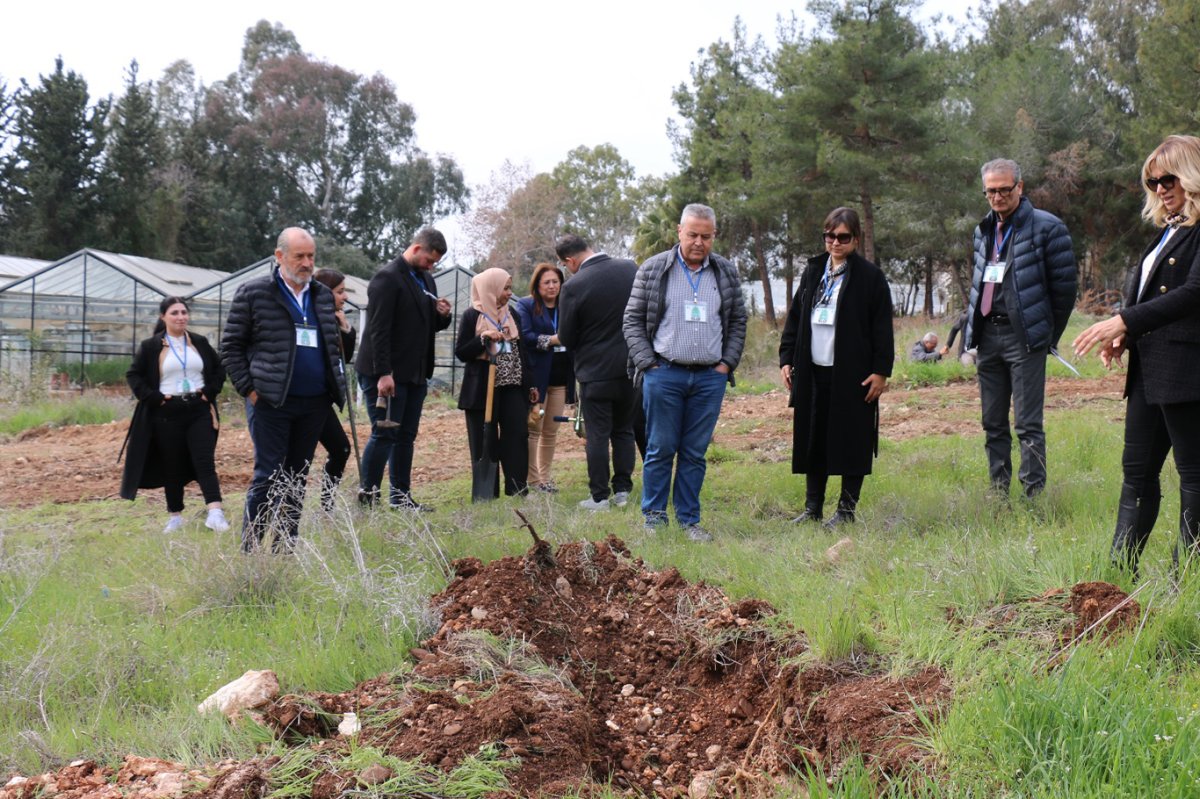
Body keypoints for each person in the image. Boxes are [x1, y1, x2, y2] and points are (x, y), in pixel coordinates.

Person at [1073, 134, 1200, 576]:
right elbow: (1152, 296)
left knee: (1195, 478)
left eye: (1169, 178)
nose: (1161, 188)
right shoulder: (1169, 231)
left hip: (1189, 372)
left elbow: (1194, 293)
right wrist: (1125, 335)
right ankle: (1117, 577)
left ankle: (1188, 581)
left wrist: (1125, 322)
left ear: (1192, 175)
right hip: (1150, 370)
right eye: (1152, 181)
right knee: (1137, 473)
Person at [623, 203, 747, 541]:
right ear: (679, 232)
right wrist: (648, 363)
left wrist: (725, 365)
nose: (698, 242)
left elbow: (737, 321)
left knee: (694, 452)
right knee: (660, 448)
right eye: (692, 234)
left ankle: (689, 521)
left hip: (709, 377)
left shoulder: (725, 272)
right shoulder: (653, 269)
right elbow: (632, 321)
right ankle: (654, 518)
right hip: (664, 374)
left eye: (706, 236)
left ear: (714, 237)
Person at [221, 227, 347, 552]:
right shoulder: (254, 293)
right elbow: (231, 347)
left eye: (311, 257)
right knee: (269, 475)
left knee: (296, 476)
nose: (306, 263)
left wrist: (335, 385)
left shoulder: (321, 294)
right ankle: (250, 553)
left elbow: (332, 346)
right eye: (299, 256)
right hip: (271, 402)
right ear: (280, 257)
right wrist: (249, 390)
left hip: (315, 402)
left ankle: (284, 548)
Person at [964, 158, 1077, 499]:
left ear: (1020, 187)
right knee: (993, 423)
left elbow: (1064, 291)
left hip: (1024, 339)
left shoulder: (1048, 227)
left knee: (1028, 424)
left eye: (1004, 189)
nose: (997, 197)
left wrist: (1045, 336)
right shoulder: (982, 230)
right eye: (991, 191)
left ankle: (1033, 496)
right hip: (988, 337)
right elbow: (979, 281)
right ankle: (998, 493)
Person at [779, 208, 894, 527]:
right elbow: (796, 318)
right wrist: (787, 358)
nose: (835, 243)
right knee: (813, 438)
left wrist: (881, 370)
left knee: (851, 440)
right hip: (814, 370)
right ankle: (812, 508)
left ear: (855, 239)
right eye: (829, 236)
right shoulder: (813, 270)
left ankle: (846, 511)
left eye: (843, 237)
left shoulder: (870, 278)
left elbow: (882, 327)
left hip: (853, 375)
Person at [354, 228, 451, 511]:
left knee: (405, 436)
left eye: (435, 263)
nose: (432, 266)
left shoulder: (425, 279)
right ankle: (367, 498)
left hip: (415, 373)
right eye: (430, 260)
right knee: (384, 433)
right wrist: (384, 372)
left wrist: (442, 316)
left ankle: (401, 497)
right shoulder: (387, 279)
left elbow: (426, 325)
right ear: (417, 248)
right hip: (385, 373)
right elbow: (378, 330)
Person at [120, 297, 230, 533]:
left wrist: (209, 392)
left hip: (198, 409)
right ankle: (175, 516)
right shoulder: (151, 346)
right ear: (163, 317)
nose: (181, 317)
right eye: (174, 313)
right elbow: (134, 375)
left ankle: (215, 512)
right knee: (172, 464)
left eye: (183, 312)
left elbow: (219, 369)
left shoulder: (199, 342)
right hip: (167, 413)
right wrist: (154, 398)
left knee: (204, 460)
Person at [555, 235, 639, 510]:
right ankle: (623, 491)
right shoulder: (630, 268)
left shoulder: (574, 285)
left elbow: (566, 336)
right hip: (631, 366)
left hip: (595, 372)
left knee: (598, 434)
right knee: (624, 430)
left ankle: (600, 496)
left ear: (570, 260)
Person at [455, 268, 538, 498]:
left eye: (510, 288)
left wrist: (531, 385)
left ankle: (517, 488)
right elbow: (461, 352)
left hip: (512, 386)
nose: (509, 293)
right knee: (484, 440)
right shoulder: (473, 315)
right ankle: (486, 494)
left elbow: (523, 352)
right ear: (490, 288)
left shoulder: (513, 315)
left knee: (517, 436)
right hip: (482, 390)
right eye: (505, 288)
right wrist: (484, 338)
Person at [514, 262, 576, 493]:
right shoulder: (526, 305)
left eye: (555, 282)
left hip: (560, 379)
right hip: (537, 379)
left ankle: (545, 478)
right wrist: (551, 340)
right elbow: (525, 335)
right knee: (534, 430)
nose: (552, 286)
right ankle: (533, 480)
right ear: (537, 285)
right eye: (546, 282)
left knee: (551, 431)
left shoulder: (567, 305)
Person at [312, 268, 357, 510]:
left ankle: (326, 506)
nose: (346, 296)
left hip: (322, 399)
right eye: (340, 292)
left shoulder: (334, 320)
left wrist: (345, 329)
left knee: (341, 448)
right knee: (298, 458)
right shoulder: (311, 318)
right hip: (306, 399)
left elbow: (344, 357)